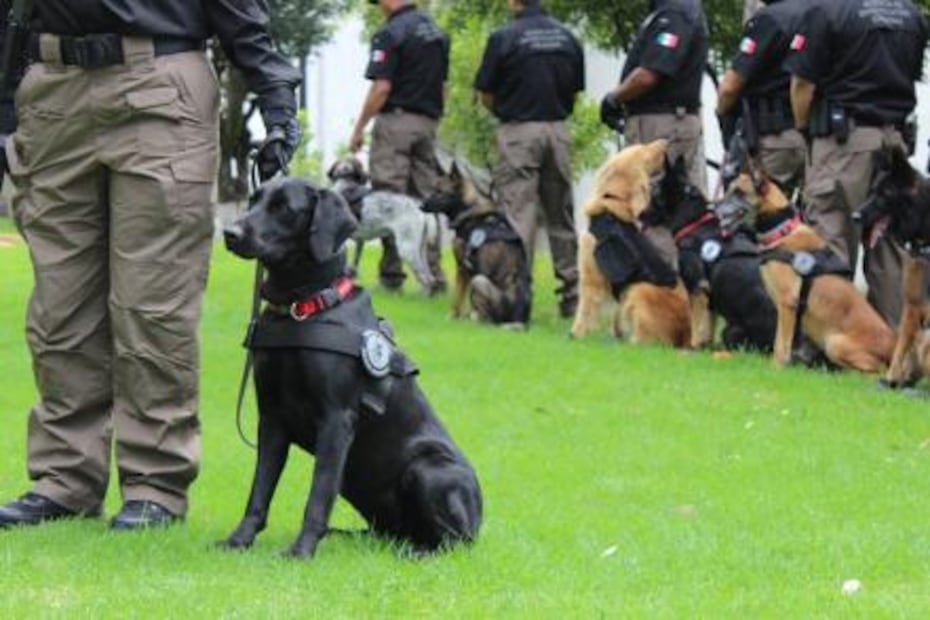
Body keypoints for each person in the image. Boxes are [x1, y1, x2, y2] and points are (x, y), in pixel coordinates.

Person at [0, 0, 301, 529]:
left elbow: (238, 11)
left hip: (159, 85)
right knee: (59, 306)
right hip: (52, 90)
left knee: (152, 302)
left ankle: (155, 483)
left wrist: (277, 101)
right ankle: (65, 477)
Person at [785, 0, 927, 326]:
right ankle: (895, 345)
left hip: (842, 142)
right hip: (894, 144)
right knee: (892, 247)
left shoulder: (827, 11)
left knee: (830, 237)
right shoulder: (910, 14)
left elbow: (801, 85)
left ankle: (831, 337)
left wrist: (806, 131)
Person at [473, 0, 585, 319]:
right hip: (558, 129)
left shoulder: (503, 38)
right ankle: (573, 297)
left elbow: (486, 94)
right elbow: (574, 93)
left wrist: (510, 116)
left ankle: (516, 294)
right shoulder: (568, 38)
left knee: (517, 215)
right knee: (560, 213)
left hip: (519, 130)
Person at [349, 0, 449, 295]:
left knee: (389, 197)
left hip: (395, 122)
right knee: (425, 201)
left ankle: (392, 276)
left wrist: (359, 128)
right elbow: (443, 85)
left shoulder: (391, 33)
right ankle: (435, 275)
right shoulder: (436, 32)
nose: (378, 6)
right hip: (428, 122)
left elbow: (381, 88)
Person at [599, 0, 709, 267]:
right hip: (665, 120)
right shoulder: (668, 11)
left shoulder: (676, 13)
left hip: (662, 123)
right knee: (677, 205)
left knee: (652, 206)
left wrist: (614, 98)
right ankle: (685, 282)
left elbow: (649, 74)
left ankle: (664, 283)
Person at [716, 0, 806, 198]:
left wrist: (723, 115)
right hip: (810, 136)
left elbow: (730, 87)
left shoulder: (769, 19)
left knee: (749, 216)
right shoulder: (816, 12)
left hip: (772, 138)